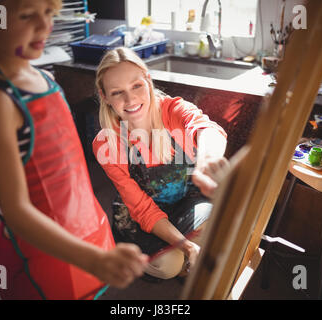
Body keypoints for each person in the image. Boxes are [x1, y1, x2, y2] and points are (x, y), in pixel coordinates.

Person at [0, 0, 148, 300]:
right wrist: (92, 259)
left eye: (48, 13)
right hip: (41, 247)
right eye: (28, 15)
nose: (45, 26)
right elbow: (16, 211)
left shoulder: (43, 78)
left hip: (82, 226)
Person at [92, 47, 228, 280]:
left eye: (136, 86)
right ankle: (136, 256)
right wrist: (186, 246)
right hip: (139, 214)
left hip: (184, 200)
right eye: (117, 92)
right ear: (105, 97)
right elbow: (143, 209)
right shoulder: (107, 143)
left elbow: (207, 129)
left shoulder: (173, 109)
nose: (130, 99)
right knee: (169, 266)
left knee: (220, 225)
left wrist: (207, 159)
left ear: (148, 80)